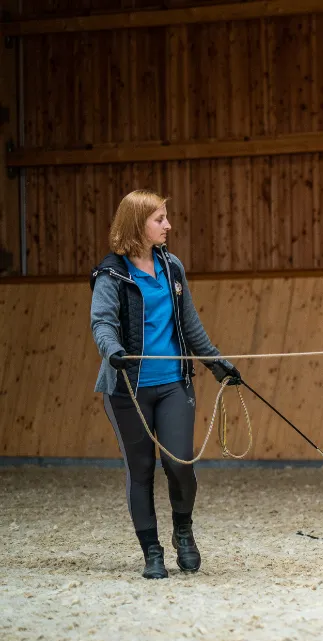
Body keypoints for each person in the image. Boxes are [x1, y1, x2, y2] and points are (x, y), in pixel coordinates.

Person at [90, 190, 242, 579]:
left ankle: (183, 532)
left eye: (166, 217)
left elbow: (189, 324)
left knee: (179, 464)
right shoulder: (111, 274)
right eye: (160, 219)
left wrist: (216, 363)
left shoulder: (172, 267)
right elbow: (102, 323)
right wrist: (113, 351)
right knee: (140, 470)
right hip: (128, 388)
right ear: (137, 224)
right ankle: (151, 550)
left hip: (175, 384)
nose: (168, 225)